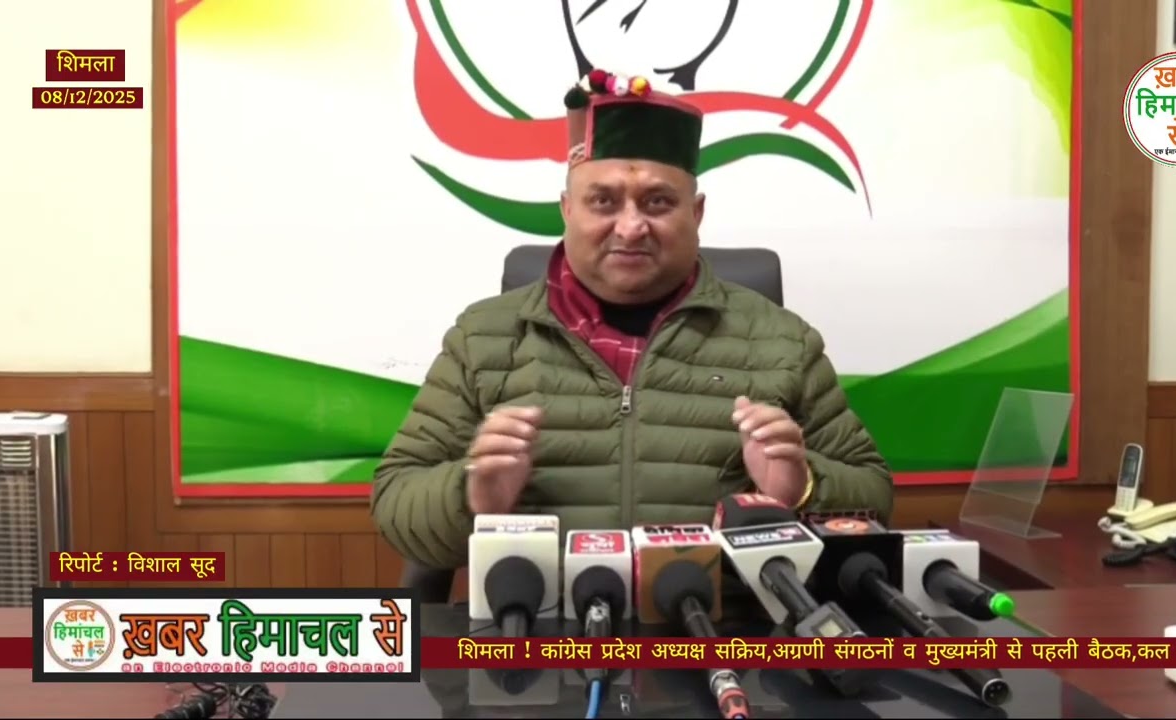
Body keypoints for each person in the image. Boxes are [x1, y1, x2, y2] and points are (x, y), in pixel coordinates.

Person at [373, 70, 893, 571]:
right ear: (567, 210)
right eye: (603, 201)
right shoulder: (484, 338)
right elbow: (396, 500)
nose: (631, 226)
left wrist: (800, 488)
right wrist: (473, 496)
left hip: (726, 621)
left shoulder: (781, 341)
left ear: (696, 213)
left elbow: (873, 495)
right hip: (537, 617)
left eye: (658, 202)